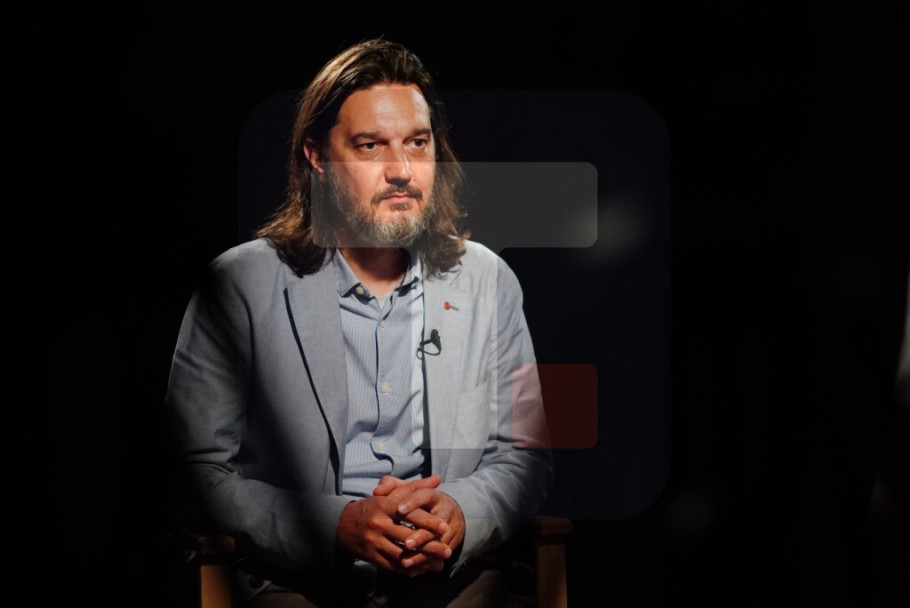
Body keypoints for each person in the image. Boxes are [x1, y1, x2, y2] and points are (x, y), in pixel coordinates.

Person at [163, 38, 553, 607]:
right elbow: (193, 473)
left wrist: (461, 513)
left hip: (449, 578)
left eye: (417, 143)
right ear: (318, 157)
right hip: (294, 579)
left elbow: (525, 457)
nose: (401, 170)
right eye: (370, 146)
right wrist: (334, 526)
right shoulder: (238, 286)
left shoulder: (488, 281)